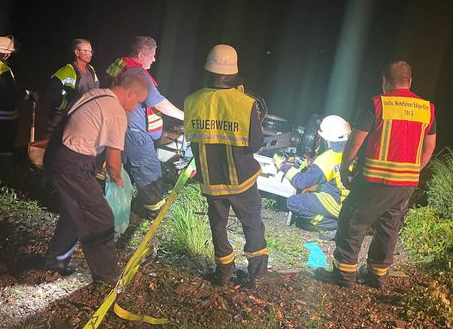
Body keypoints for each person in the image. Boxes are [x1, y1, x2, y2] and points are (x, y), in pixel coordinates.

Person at [315, 61, 436, 289]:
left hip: (375, 180)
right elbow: (429, 146)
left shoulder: (378, 104)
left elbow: (356, 140)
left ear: (384, 81)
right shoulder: (426, 109)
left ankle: (344, 274)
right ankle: (377, 276)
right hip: (406, 183)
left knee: (353, 221)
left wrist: (345, 167)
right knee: (389, 227)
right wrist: (413, 170)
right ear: (410, 81)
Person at [43, 73, 148, 290]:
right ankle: (107, 277)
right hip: (74, 164)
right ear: (131, 93)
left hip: (57, 155)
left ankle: (55, 261)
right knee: (100, 217)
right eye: (136, 102)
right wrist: (118, 180)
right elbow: (113, 162)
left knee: (75, 211)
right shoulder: (116, 113)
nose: (134, 108)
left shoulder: (95, 94)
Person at [184, 44, 269, 288]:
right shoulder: (244, 103)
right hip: (241, 180)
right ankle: (258, 276)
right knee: (252, 224)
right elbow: (254, 145)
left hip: (211, 181)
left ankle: (223, 274)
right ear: (234, 71)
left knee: (218, 227)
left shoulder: (192, 101)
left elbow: (195, 141)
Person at [106, 36, 184, 219]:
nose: (154, 59)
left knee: (120, 169)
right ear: (141, 55)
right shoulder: (138, 74)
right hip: (135, 133)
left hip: (120, 128)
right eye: (152, 55)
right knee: (148, 171)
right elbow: (159, 103)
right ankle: (153, 211)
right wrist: (185, 117)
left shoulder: (119, 66)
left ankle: (113, 207)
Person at [276, 115, 352, 239]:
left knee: (293, 203)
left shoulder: (327, 159)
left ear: (327, 139)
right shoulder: (353, 151)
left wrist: (284, 166)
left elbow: (302, 182)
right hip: (354, 205)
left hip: (338, 205)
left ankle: (334, 226)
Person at [43, 38, 100, 138]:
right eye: (85, 51)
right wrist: (66, 103)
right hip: (64, 116)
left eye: (90, 51)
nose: (89, 54)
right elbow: (52, 92)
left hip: (84, 115)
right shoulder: (67, 70)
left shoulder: (91, 69)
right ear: (77, 52)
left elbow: (96, 89)